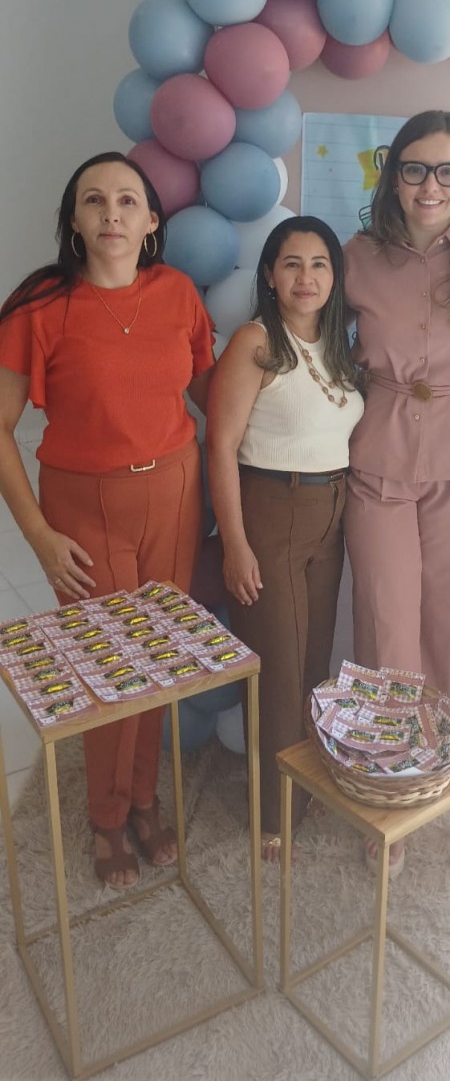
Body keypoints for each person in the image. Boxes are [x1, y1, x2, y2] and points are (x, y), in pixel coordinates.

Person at [0, 152, 215, 889]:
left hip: (176, 491)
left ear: (152, 220)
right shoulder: (39, 306)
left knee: (158, 651)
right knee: (107, 662)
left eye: (127, 200)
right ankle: (105, 814)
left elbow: (209, 389)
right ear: (74, 220)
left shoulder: (178, 292)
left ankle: (145, 798)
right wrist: (37, 534)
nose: (111, 213)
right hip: (82, 503)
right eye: (94, 200)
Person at [343, 110, 450, 876]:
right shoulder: (356, 258)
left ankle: (437, 766)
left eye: (449, 171)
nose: (431, 186)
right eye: (415, 168)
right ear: (394, 176)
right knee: (386, 622)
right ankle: (388, 787)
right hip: (377, 451)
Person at [206, 216, 363, 862]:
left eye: (319, 263)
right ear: (270, 275)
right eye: (292, 263)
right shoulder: (256, 340)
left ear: (335, 277)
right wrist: (235, 544)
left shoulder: (339, 346)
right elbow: (219, 445)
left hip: (331, 511)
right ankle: (274, 813)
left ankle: (303, 782)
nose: (306, 277)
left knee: (313, 663)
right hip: (271, 509)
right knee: (279, 670)